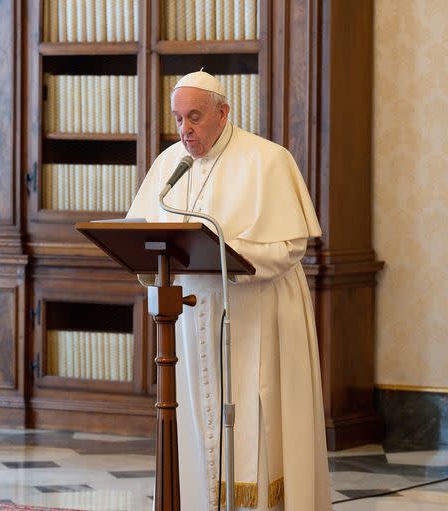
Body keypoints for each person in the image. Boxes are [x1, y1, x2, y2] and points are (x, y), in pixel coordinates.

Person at [127, 71, 331, 510]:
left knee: (257, 422)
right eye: (179, 119)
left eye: (195, 117)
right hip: (187, 320)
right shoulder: (169, 166)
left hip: (254, 315)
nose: (185, 130)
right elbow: (143, 237)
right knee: (198, 426)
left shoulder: (268, 160)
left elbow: (290, 245)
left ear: (223, 112)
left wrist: (230, 261)